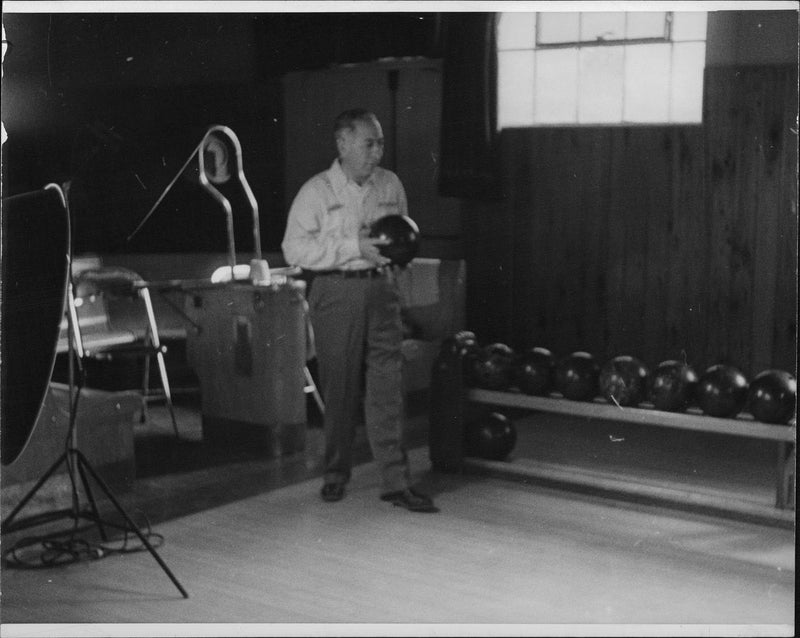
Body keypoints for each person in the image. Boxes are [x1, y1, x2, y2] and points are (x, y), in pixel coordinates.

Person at [281, 108, 438, 513]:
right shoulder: (317, 192)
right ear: (343, 144)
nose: (377, 151)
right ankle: (335, 474)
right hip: (337, 292)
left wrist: (398, 285)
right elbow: (294, 249)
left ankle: (395, 482)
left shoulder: (391, 185)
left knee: (388, 389)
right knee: (340, 389)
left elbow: (401, 236)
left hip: (381, 291)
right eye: (369, 143)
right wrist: (353, 248)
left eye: (380, 142)